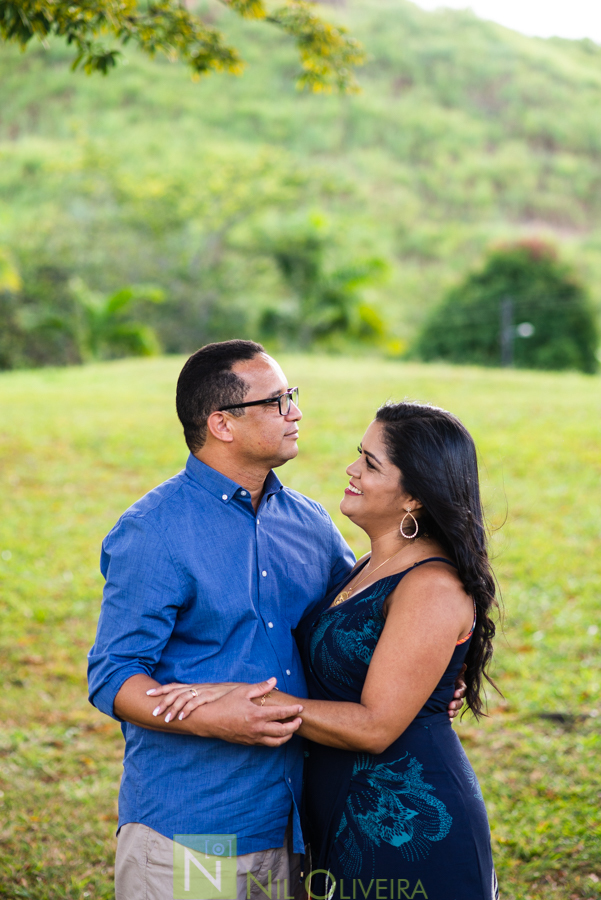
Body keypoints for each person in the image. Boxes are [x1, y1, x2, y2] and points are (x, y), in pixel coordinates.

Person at [87, 341, 465, 900]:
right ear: (223, 424)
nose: (296, 411)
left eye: (293, 396)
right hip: (196, 825)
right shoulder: (154, 530)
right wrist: (212, 717)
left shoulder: (310, 522)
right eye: (278, 400)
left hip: (297, 825)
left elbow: (359, 624)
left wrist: (435, 675)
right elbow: (114, 675)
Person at [160, 401, 498, 900]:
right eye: (358, 454)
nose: (352, 469)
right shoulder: (362, 566)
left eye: (371, 463)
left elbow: (377, 726)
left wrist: (246, 700)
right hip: (342, 818)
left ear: (416, 497)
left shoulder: (431, 585)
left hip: (407, 829)